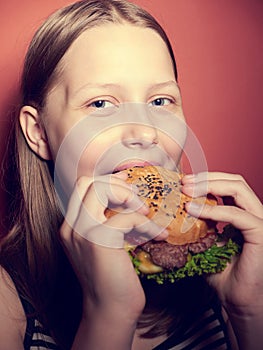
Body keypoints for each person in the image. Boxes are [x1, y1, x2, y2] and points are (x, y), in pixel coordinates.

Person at [0, 0, 262, 349]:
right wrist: (108, 313)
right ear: (39, 133)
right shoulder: (8, 303)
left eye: (160, 102)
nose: (144, 132)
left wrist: (250, 312)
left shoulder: (230, 275)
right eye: (101, 104)